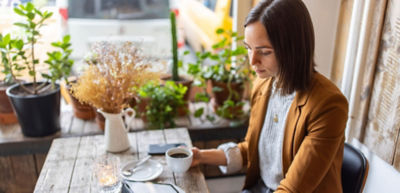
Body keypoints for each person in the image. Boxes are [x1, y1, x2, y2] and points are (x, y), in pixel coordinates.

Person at [190, 0, 349, 192]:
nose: (253, 61)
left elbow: (293, 189)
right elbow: (252, 151)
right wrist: (200, 156)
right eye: (249, 48)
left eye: (264, 52)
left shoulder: (328, 105)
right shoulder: (264, 85)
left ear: (293, 49)